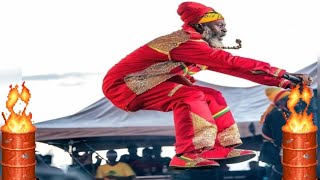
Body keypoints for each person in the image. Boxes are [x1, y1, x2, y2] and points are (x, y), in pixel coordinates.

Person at [102, 1, 313, 169]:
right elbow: (231, 62)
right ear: (202, 25)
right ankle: (187, 155)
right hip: (126, 86)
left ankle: (218, 148)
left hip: (151, 83)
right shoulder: (185, 42)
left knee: (213, 96)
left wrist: (282, 81)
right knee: (190, 97)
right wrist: (281, 73)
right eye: (220, 26)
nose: (224, 30)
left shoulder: (197, 45)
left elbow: (233, 69)